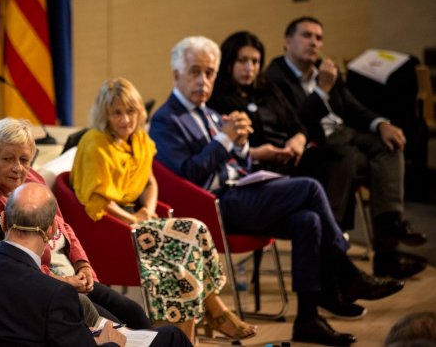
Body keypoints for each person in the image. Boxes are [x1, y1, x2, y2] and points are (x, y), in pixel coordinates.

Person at [148, 36, 406, 346]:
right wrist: (225, 141)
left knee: (308, 220)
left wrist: (241, 144)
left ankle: (308, 319)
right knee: (309, 187)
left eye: (210, 73)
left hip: (239, 194)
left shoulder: (212, 115)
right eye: (195, 71)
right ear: (176, 73)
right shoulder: (165, 119)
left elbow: (235, 162)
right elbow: (188, 175)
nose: (203, 81)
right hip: (213, 208)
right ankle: (344, 268)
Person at [70, 77, 258, 344]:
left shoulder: (139, 140)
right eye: (117, 113)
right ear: (105, 114)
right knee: (181, 249)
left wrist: (147, 209)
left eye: (131, 111)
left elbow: (150, 181)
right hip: (111, 226)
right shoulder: (95, 142)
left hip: (138, 219)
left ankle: (200, 321)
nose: (126, 120)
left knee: (195, 228)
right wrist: (134, 217)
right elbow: (97, 200)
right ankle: (206, 320)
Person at [264, 16, 427, 279]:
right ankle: (384, 255)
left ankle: (390, 224)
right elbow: (294, 123)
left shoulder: (324, 69)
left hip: (345, 136)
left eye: (319, 38)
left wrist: (380, 123)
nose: (314, 43)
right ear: (287, 41)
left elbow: (352, 107)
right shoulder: (274, 77)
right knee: (362, 164)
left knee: (389, 146)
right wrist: (323, 90)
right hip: (316, 146)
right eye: (307, 35)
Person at [0, 118, 152, 330]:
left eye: (25, 159)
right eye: (8, 159)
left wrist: (82, 264)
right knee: (113, 327)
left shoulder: (31, 177)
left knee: (133, 312)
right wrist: (65, 283)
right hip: (42, 288)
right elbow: (9, 268)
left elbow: (62, 224)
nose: (18, 168)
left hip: (69, 274)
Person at [0, 182, 194, 347]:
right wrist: (110, 342)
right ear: (52, 230)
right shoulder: (55, 294)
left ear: (5, 220)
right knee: (172, 337)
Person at [207, 31, 357, 232]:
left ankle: (332, 227)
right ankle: (332, 234)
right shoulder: (216, 99)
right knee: (312, 189)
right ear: (228, 62)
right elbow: (219, 150)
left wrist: (297, 141)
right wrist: (262, 152)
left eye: (255, 61)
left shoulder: (267, 88)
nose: (249, 68)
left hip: (289, 160)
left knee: (340, 155)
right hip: (256, 168)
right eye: (242, 61)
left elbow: (297, 125)